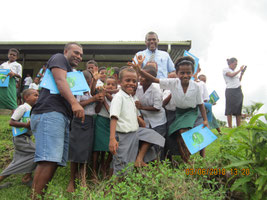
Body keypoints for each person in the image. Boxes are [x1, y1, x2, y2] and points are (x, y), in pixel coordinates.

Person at [30, 42, 85, 198]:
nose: (79, 57)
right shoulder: (59, 58)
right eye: (76, 52)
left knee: (53, 160)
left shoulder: (72, 72)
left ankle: (39, 195)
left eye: (81, 55)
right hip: (50, 113)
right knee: (48, 159)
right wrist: (74, 103)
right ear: (66, 51)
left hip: (60, 115)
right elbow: (60, 81)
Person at [130, 55, 208, 163]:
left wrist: (205, 119)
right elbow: (154, 79)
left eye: (188, 73)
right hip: (179, 113)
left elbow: (201, 104)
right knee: (178, 137)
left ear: (192, 72)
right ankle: (186, 160)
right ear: (177, 73)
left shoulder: (196, 86)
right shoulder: (173, 82)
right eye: (182, 73)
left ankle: (190, 159)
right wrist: (139, 70)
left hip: (191, 111)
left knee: (183, 131)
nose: (185, 75)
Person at [109, 67, 165, 174]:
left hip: (133, 133)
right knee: (121, 163)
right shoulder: (119, 97)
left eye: (134, 81)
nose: (132, 83)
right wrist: (112, 139)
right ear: (120, 82)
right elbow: (114, 117)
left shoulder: (130, 97)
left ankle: (135, 167)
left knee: (129, 163)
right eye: (128, 80)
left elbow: (130, 113)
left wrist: (139, 120)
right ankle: (116, 187)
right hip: (122, 135)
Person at [67, 70, 104, 193]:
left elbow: (97, 110)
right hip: (79, 121)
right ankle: (72, 180)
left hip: (90, 121)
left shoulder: (90, 92)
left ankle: (82, 179)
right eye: (87, 82)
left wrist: (99, 101)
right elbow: (76, 105)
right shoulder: (76, 91)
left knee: (85, 151)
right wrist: (93, 99)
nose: (88, 84)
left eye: (89, 82)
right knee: (76, 151)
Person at [0, 89, 38, 189]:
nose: (37, 97)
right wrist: (26, 125)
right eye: (35, 95)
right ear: (26, 97)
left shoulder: (31, 108)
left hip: (25, 137)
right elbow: (11, 122)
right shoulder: (23, 107)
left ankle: (27, 177)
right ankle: (27, 177)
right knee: (37, 154)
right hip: (21, 138)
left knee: (16, 162)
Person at [93, 76, 117, 180]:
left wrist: (106, 96)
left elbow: (112, 111)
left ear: (116, 86)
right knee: (97, 148)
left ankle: (105, 167)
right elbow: (97, 110)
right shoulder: (100, 95)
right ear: (104, 85)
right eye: (108, 84)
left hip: (112, 123)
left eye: (113, 84)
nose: (110, 86)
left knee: (111, 148)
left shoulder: (118, 96)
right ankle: (94, 170)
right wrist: (100, 101)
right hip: (101, 121)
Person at [223, 57, 246, 128]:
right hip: (230, 90)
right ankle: (230, 127)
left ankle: (238, 127)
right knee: (229, 109)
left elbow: (238, 80)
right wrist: (239, 70)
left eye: (236, 64)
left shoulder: (235, 71)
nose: (235, 66)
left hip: (238, 90)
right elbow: (231, 75)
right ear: (231, 63)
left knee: (238, 109)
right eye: (234, 64)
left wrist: (241, 73)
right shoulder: (225, 69)